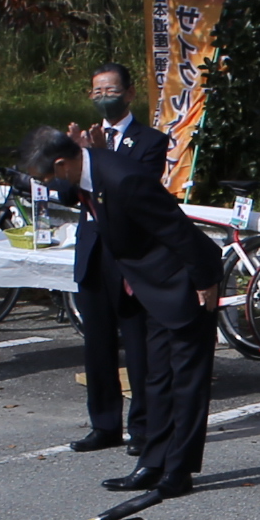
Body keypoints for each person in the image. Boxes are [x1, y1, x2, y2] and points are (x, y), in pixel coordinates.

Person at [48, 73, 223, 494]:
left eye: (48, 177)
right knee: (155, 380)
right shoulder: (93, 176)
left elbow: (178, 230)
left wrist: (206, 281)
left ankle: (177, 472)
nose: (51, 187)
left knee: (186, 384)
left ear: (62, 165)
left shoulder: (121, 176)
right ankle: (152, 462)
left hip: (182, 285)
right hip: (148, 289)